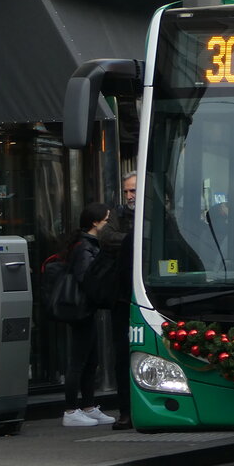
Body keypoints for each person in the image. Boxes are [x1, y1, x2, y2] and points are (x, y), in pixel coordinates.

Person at [62, 203, 117, 428]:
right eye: (106, 220)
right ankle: (71, 410)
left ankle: (87, 406)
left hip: (85, 309)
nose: (108, 225)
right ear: (95, 223)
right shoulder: (85, 247)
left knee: (90, 359)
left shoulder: (87, 244)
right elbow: (87, 278)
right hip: (82, 310)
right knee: (79, 361)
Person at [98, 172, 136, 431]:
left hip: (151, 294)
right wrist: (136, 240)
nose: (130, 196)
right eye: (126, 192)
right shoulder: (117, 216)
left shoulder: (157, 213)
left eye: (133, 191)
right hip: (122, 297)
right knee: (122, 355)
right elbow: (106, 238)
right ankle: (126, 410)